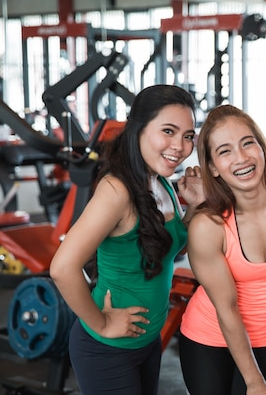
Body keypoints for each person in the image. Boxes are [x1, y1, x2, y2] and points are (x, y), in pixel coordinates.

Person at [50, 84, 205, 395]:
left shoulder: (161, 182)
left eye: (188, 136)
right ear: (138, 130)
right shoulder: (117, 190)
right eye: (168, 131)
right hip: (107, 349)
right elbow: (62, 267)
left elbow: (171, 247)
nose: (180, 146)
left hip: (147, 341)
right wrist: (102, 323)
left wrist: (197, 206)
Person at [178, 104, 266, 395]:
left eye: (248, 143)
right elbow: (227, 309)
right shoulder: (208, 226)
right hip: (209, 336)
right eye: (225, 151)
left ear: (262, 147)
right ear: (213, 168)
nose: (241, 158)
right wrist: (254, 381)